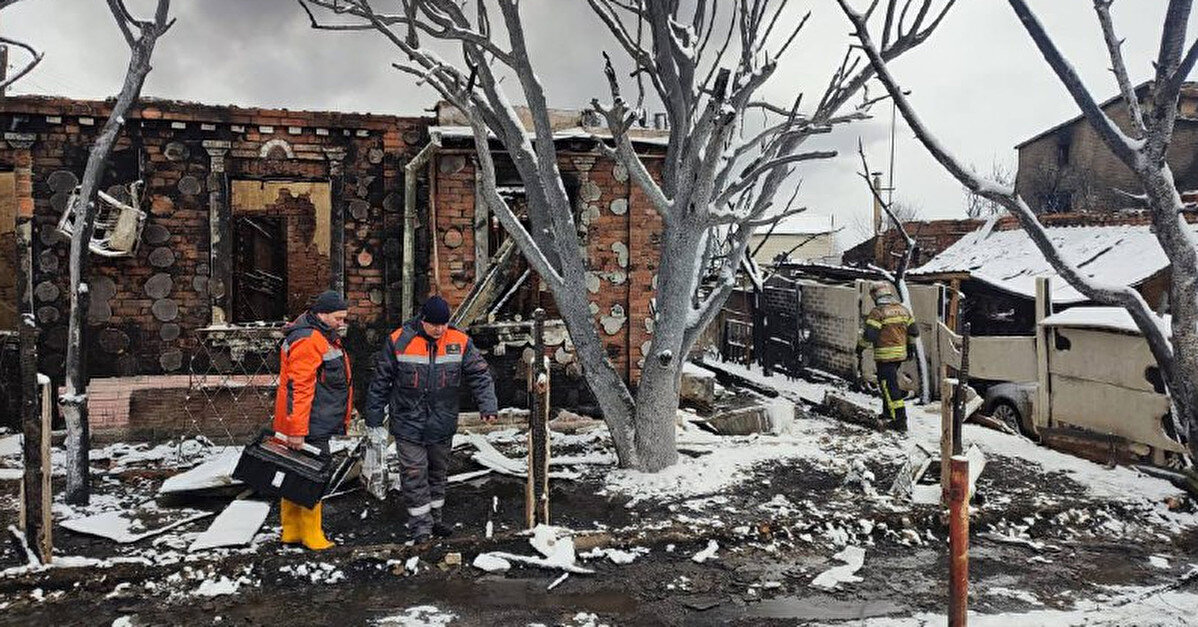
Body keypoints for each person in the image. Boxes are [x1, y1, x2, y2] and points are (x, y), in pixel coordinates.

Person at [366, 295, 498, 544]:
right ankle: (420, 527)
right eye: (434, 325)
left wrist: (488, 405)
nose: (439, 330)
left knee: (438, 473)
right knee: (414, 473)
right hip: (408, 422)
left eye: (444, 324)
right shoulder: (399, 341)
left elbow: (480, 375)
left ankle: (435, 519)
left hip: (442, 422)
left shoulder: (459, 342)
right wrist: (373, 416)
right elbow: (380, 381)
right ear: (422, 320)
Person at [272, 289, 353, 550]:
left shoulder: (314, 334)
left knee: (295, 472)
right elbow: (299, 387)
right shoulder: (309, 340)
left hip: (307, 421)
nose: (342, 324)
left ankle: (292, 530)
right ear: (322, 314)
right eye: (338, 318)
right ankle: (311, 534)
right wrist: (297, 430)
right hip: (309, 424)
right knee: (312, 476)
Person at [857, 282, 919, 432]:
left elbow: (869, 336)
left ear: (875, 296)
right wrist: (910, 347)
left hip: (885, 357)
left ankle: (900, 421)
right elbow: (914, 332)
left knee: (889, 387)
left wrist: (859, 348)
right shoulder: (903, 310)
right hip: (900, 356)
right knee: (888, 385)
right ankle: (887, 413)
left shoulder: (878, 313)